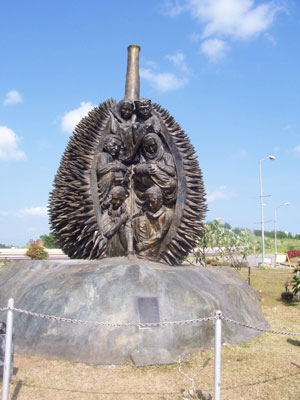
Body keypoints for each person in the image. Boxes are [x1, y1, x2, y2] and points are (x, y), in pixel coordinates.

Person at [134, 133, 177, 205]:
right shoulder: (144, 156)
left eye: (152, 145)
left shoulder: (166, 156)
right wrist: (146, 169)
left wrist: (159, 165)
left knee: (172, 183)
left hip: (163, 181)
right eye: (147, 147)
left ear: (157, 143)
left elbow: (172, 172)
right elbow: (137, 168)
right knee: (137, 177)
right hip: (148, 180)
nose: (151, 149)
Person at [133, 186, 173, 258]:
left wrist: (143, 245)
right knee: (139, 220)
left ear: (160, 200)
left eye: (152, 202)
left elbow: (159, 236)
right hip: (142, 243)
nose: (150, 205)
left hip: (154, 246)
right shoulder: (146, 211)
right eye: (148, 202)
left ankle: (150, 252)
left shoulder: (167, 214)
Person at [96, 135, 128, 204]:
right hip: (105, 185)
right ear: (106, 144)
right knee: (110, 175)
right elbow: (100, 169)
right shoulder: (103, 155)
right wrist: (116, 166)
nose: (116, 148)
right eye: (114, 145)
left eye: (118, 147)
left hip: (117, 189)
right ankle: (104, 200)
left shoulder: (114, 159)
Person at [101, 186, 129, 257]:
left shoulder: (124, 212)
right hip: (109, 246)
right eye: (115, 199)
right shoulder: (106, 212)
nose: (118, 202)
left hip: (121, 246)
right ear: (110, 198)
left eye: (121, 200)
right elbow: (107, 232)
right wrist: (121, 221)